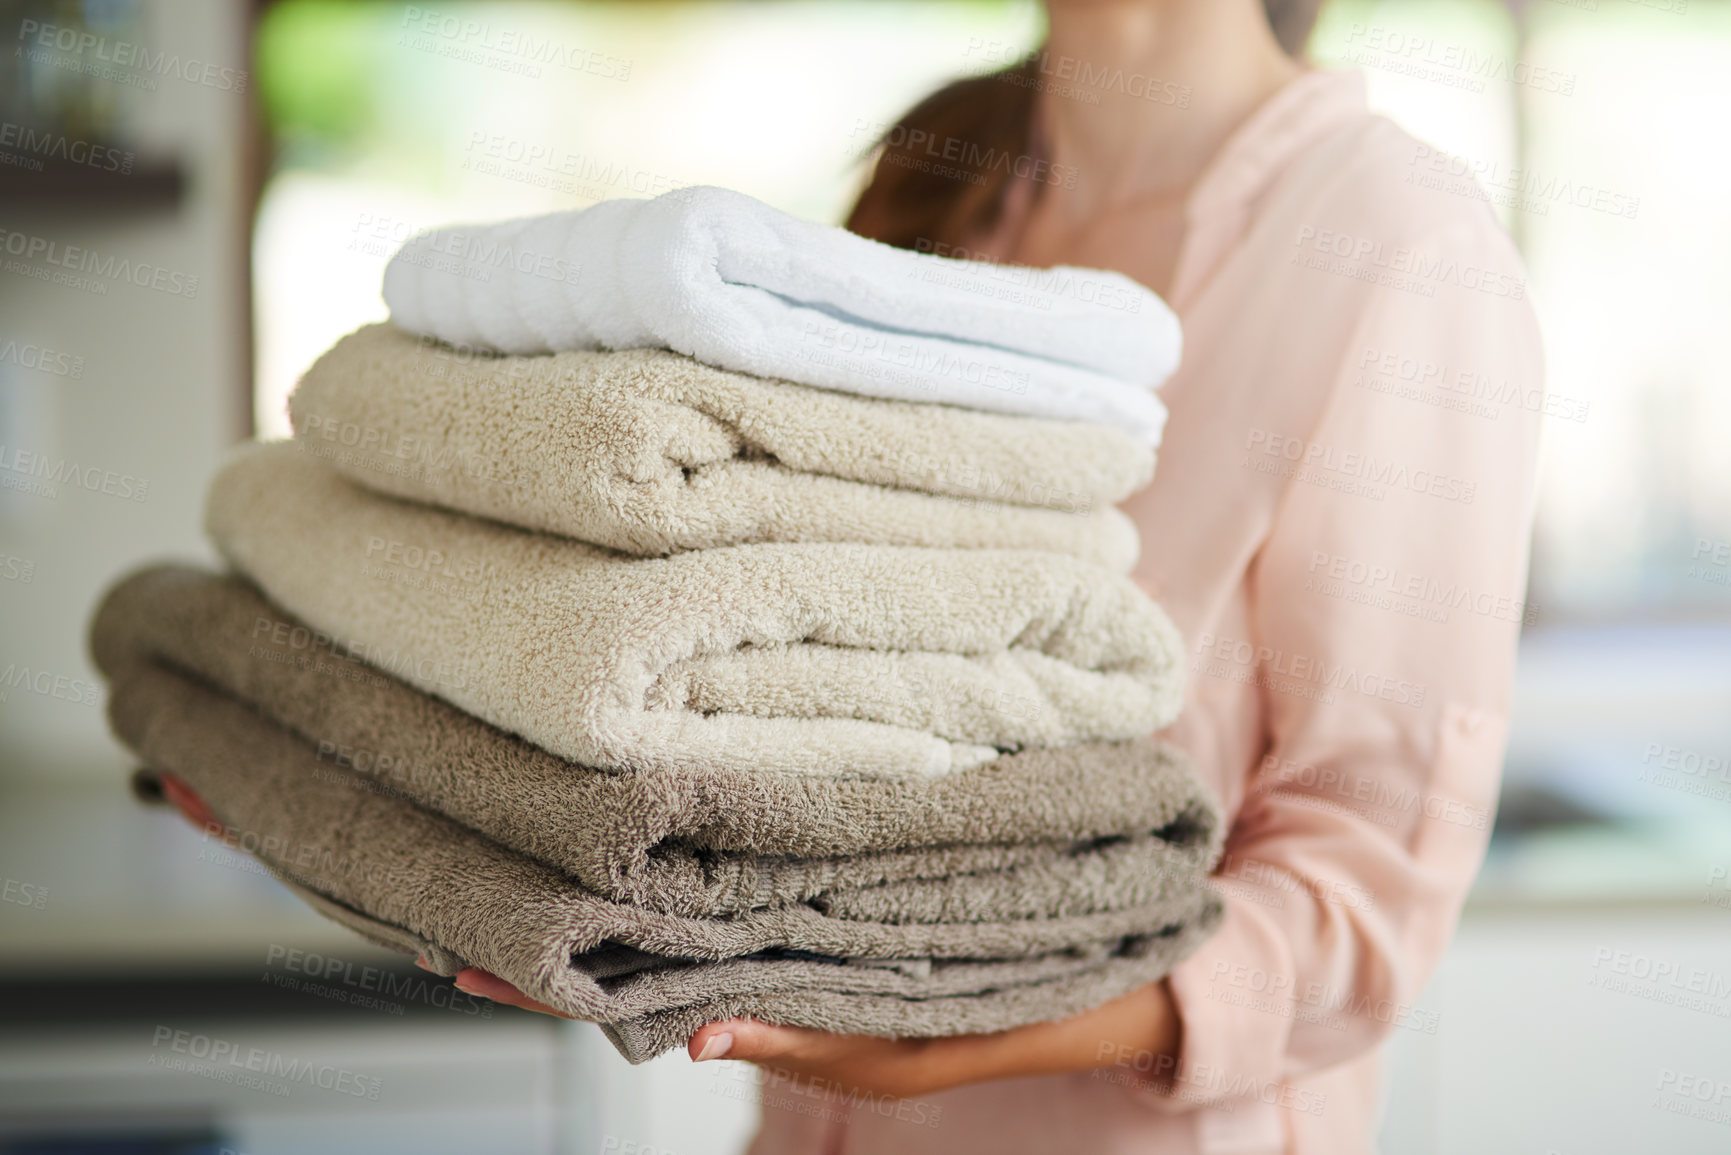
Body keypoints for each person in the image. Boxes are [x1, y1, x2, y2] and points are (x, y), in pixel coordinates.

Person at [169, 1, 1543, 1150]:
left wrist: (937, 1024)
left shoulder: (1397, 244)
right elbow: (755, 684)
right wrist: (388, 796)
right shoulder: (952, 176)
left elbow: (1367, 897)